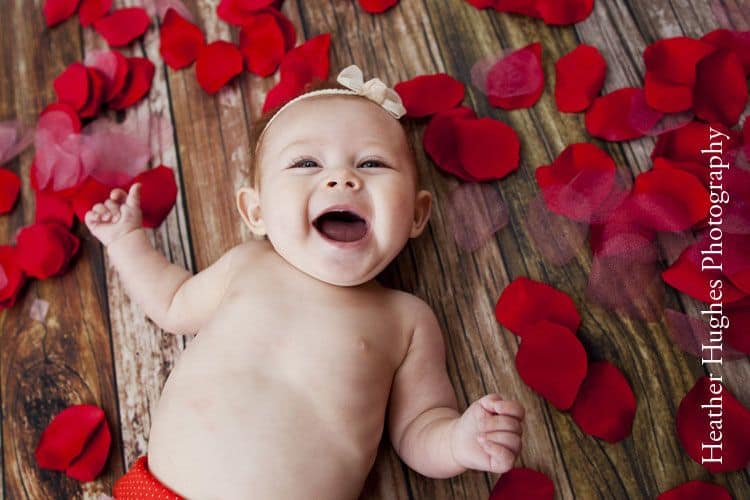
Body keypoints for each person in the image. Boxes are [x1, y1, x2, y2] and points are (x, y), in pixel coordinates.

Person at [86, 64, 525, 499]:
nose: (341, 178)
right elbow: (172, 301)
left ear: (416, 213)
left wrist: (459, 441)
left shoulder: (404, 319)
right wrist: (126, 242)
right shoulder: (247, 265)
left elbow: (418, 426)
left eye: (371, 163)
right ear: (256, 211)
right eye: (306, 163)